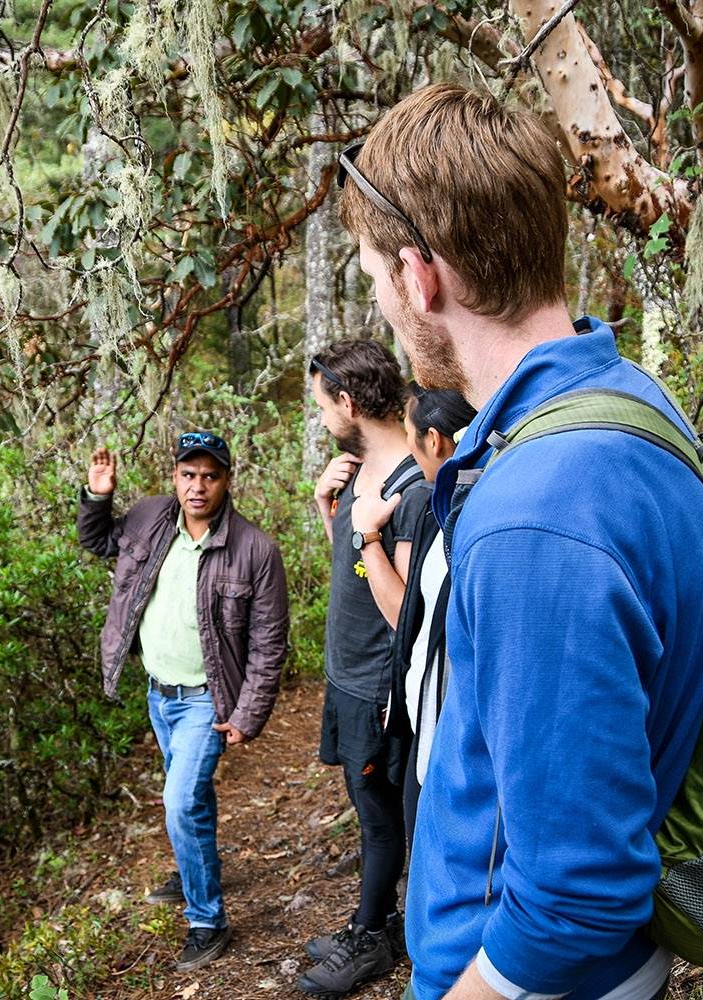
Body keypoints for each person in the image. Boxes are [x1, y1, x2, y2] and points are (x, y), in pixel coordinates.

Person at [336, 83, 703, 1000]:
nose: (387, 313)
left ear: (420, 276)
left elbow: (576, 892)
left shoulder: (537, 515)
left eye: (375, 280)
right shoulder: (630, 400)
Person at [76, 430, 289, 971]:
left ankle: (207, 921)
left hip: (205, 702)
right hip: (158, 693)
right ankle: (194, 865)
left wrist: (247, 714)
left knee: (179, 802)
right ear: (175, 476)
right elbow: (99, 542)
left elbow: (269, 643)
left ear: (226, 481)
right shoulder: (149, 517)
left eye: (210, 476)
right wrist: (98, 497)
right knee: (188, 801)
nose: (198, 486)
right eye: (189, 474)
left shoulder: (254, 549)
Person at [298, 339, 434, 999]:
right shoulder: (354, 469)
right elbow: (356, 570)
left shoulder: (409, 485)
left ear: (348, 401)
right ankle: (385, 918)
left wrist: (369, 532)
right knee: (366, 806)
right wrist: (334, 515)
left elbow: (405, 607)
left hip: (382, 687)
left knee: (381, 815)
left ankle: (372, 935)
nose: (322, 415)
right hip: (346, 674)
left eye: (323, 403)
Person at [382, 383, 476, 843]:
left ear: (434, 439)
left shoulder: (470, 522)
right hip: (427, 723)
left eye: (409, 435)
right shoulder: (438, 512)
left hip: (451, 746)